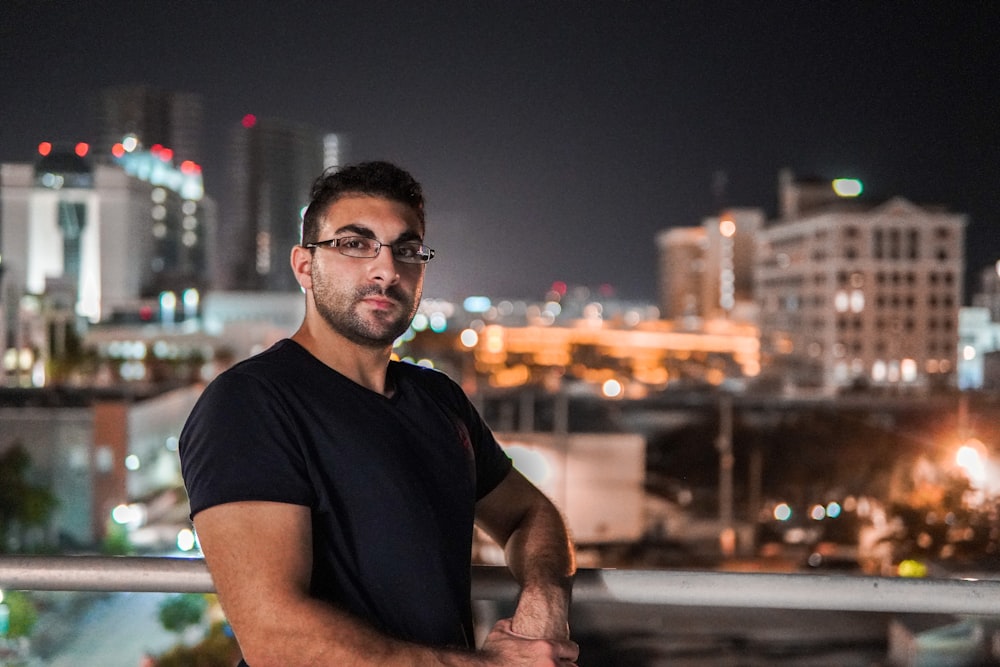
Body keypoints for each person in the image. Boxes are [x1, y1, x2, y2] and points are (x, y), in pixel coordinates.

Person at [179, 161, 578, 666]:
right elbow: (276, 639)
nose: (387, 270)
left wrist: (544, 598)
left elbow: (530, 514)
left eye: (407, 250)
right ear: (304, 266)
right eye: (354, 243)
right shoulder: (249, 404)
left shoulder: (438, 399)